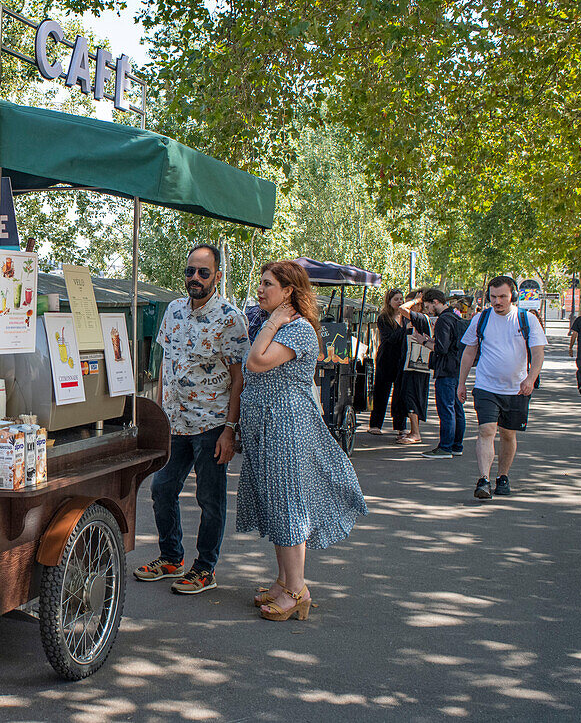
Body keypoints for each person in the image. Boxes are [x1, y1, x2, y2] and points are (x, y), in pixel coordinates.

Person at [238, 260, 368, 621]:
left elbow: (256, 362)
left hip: (285, 425)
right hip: (269, 424)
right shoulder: (279, 324)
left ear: (288, 292)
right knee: (276, 501)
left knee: (288, 503)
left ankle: (297, 589)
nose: (260, 289)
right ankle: (283, 582)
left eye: (267, 284)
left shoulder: (295, 330)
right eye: (260, 283)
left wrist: (276, 321)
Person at [135, 244, 249, 594]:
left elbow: (239, 378)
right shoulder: (172, 311)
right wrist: (156, 416)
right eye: (190, 272)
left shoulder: (231, 319)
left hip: (212, 425)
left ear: (216, 275)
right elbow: (165, 368)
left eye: (203, 272)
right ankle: (171, 558)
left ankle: (205, 569)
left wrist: (229, 430)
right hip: (175, 423)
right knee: (161, 489)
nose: (195, 278)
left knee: (209, 500)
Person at [457, 276, 547, 500]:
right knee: (486, 430)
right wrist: (461, 383)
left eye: (502, 297)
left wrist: (530, 379)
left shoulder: (527, 320)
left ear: (513, 296)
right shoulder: (481, 319)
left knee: (508, 434)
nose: (497, 301)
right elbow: (469, 353)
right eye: (493, 297)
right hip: (486, 386)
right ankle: (484, 480)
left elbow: (538, 354)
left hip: (517, 389)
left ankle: (503, 476)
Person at [415, 289, 467, 458]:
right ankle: (456, 445)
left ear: (435, 302)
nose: (426, 309)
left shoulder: (443, 320)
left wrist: (424, 342)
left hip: (445, 369)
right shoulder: (454, 317)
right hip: (457, 366)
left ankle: (445, 446)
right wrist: (431, 340)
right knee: (456, 407)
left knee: (446, 409)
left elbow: (442, 348)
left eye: (427, 305)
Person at [367, 289, 407, 436]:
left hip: (402, 358)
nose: (400, 302)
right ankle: (375, 424)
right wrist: (404, 330)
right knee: (381, 392)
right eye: (396, 299)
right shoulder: (384, 318)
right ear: (389, 301)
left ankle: (400, 426)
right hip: (386, 358)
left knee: (400, 393)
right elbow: (390, 338)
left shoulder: (407, 318)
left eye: (401, 299)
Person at [395, 292, 433, 444]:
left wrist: (416, 300)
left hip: (416, 367)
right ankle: (412, 430)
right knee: (407, 397)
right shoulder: (414, 321)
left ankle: (416, 432)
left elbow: (402, 308)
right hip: (409, 365)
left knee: (412, 397)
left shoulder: (422, 319)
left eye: (413, 303)